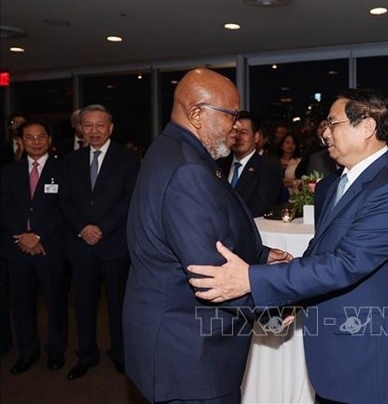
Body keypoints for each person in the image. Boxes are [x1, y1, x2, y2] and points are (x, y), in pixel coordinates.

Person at [188, 88, 388, 404]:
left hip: (373, 357)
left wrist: (250, 279)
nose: (324, 133)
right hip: (339, 351)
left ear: (366, 128)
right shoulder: (332, 185)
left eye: (332, 123)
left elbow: (344, 264)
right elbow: (321, 252)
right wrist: (289, 299)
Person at [122, 68, 289, 404]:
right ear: (197, 114)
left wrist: (259, 252)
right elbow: (209, 273)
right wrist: (272, 313)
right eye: (231, 115)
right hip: (188, 353)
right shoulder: (187, 168)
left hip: (172, 334)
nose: (236, 127)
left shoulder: (171, 147)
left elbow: (205, 230)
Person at [60, 104, 140, 380]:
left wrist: (101, 228)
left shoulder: (129, 159)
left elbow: (129, 199)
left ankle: (120, 353)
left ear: (111, 127)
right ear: (80, 129)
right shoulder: (69, 161)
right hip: (81, 246)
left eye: (100, 125)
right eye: (88, 125)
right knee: (82, 303)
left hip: (114, 244)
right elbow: (64, 200)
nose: (94, 130)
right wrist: (83, 227)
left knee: (118, 304)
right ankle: (86, 354)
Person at [0, 120, 68, 374]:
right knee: (21, 303)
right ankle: (27, 352)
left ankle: (56, 350)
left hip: (50, 247)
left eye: (41, 136)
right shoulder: (9, 171)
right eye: (30, 137)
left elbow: (64, 208)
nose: (36, 141)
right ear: (21, 141)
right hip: (17, 248)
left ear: (49, 140)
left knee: (55, 301)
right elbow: (5, 208)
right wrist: (23, 237)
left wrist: (38, 236)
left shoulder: (63, 170)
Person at [217, 110, 283, 217]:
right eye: (234, 131)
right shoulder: (220, 164)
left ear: (256, 137)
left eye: (243, 132)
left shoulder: (268, 167)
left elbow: (260, 208)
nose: (237, 137)